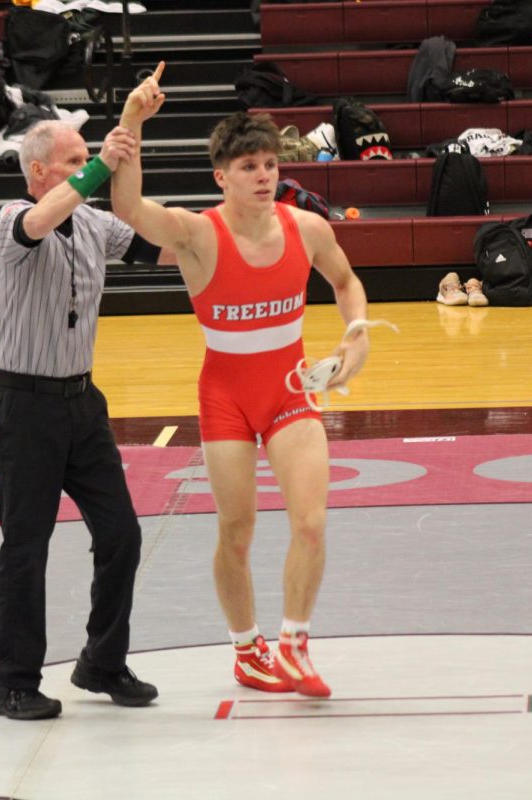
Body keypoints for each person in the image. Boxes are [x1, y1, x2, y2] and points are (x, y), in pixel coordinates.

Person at [111, 63, 372, 698]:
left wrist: (357, 333)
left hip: (289, 391)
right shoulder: (196, 234)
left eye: (269, 165)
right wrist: (129, 124)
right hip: (225, 397)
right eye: (249, 167)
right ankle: (246, 648)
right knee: (237, 529)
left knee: (311, 521)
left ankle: (295, 643)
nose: (263, 176)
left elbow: (345, 281)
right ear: (221, 176)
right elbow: (127, 208)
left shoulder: (306, 228)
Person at [0, 119, 162, 720]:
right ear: (39, 173)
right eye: (74, 162)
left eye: (88, 159)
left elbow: (145, 231)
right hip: (23, 406)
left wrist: (131, 130)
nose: (89, 169)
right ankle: (10, 681)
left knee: (121, 535)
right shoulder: (12, 220)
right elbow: (41, 221)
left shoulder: (92, 223)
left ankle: (101, 662)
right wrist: (101, 165)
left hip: (82, 405)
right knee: (26, 547)